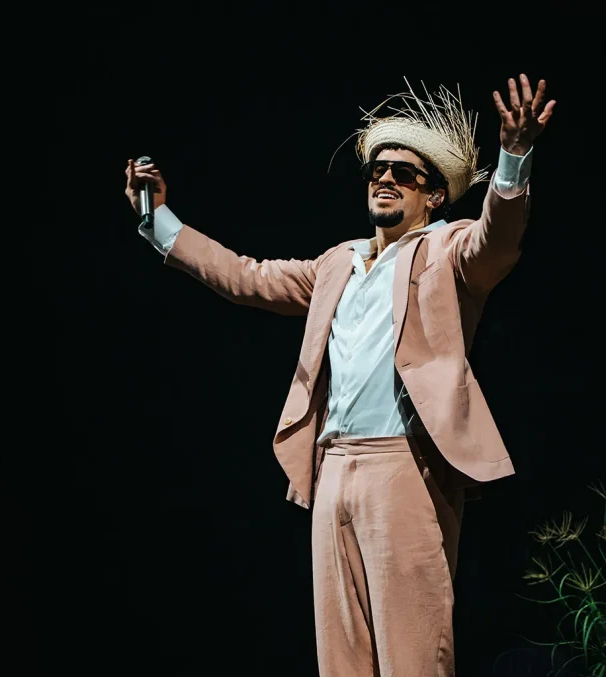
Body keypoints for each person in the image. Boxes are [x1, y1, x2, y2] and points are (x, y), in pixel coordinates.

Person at [124, 74, 555, 676]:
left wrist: (513, 156)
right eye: (378, 169)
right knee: (342, 656)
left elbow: (497, 239)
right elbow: (244, 276)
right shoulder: (337, 263)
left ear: (434, 196)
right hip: (332, 468)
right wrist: (158, 219)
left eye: (404, 173)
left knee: (412, 650)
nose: (385, 178)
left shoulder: (448, 250)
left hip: (402, 465)